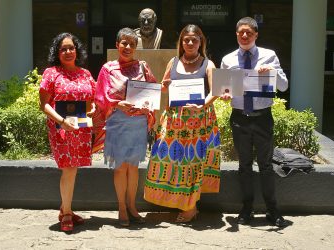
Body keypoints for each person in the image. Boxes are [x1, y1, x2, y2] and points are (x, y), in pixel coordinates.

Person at [144, 24, 221, 223]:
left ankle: (190, 206)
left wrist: (201, 105)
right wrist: (164, 86)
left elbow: (216, 91)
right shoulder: (173, 61)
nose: (189, 43)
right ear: (181, 42)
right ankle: (179, 201)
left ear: (200, 42)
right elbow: (163, 86)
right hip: (174, 121)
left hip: (200, 120)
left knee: (193, 163)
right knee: (170, 160)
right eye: (186, 39)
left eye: (194, 40)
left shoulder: (208, 64)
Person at [220, 17, 288, 227]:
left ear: (256, 34)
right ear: (236, 34)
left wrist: (273, 74)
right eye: (241, 32)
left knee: (266, 166)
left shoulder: (269, 56)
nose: (244, 35)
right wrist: (224, 95)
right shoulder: (228, 59)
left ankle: (272, 210)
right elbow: (224, 90)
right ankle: (247, 209)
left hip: (262, 118)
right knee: (244, 165)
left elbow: (284, 86)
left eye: (249, 32)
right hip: (239, 117)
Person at [93, 27, 157, 227]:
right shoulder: (108, 69)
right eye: (124, 43)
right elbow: (100, 96)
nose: (128, 47)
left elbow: (152, 90)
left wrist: (148, 106)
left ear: (136, 46)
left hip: (138, 123)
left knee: (134, 167)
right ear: (117, 45)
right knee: (121, 168)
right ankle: (121, 207)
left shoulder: (143, 67)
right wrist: (116, 104)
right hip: (118, 121)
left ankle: (132, 205)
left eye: (132, 43)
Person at [39, 32, 96, 232]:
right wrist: (62, 122)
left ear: (77, 50)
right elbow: (44, 104)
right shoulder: (51, 73)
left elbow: (92, 100)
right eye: (63, 49)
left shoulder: (85, 74)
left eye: (71, 48)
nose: (68, 52)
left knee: (73, 169)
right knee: (69, 168)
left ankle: (66, 207)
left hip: (80, 128)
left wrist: (93, 109)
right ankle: (66, 214)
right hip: (60, 128)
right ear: (57, 52)